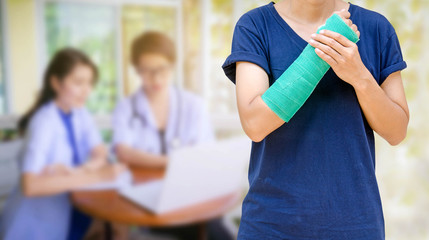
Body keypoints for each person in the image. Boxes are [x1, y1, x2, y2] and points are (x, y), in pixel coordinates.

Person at [222, 0, 409, 239]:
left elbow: (397, 131)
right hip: (272, 225)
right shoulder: (255, 26)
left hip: (354, 225)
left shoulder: (377, 29)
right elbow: (255, 124)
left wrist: (359, 76)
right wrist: (319, 57)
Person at [112, 31, 232, 240]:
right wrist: (173, 161)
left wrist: (152, 161)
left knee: (213, 231)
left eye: (162, 69)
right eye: (147, 71)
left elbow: (204, 154)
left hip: (188, 196)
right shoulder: (126, 107)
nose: (156, 78)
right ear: (137, 70)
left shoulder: (192, 106)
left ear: (173, 65)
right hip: (144, 200)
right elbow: (123, 151)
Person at [0, 48, 127, 240]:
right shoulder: (43, 122)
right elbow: (30, 185)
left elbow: (99, 151)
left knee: (115, 227)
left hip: (68, 209)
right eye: (78, 83)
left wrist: (82, 170)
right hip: (34, 224)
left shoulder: (79, 112)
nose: (87, 91)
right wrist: (96, 176)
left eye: (89, 83)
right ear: (56, 83)